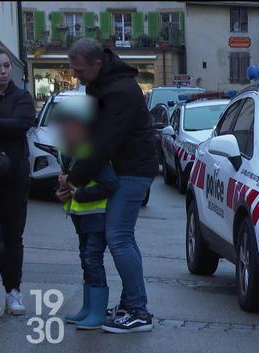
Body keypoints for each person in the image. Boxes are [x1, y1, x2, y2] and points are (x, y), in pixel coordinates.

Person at [65, 39, 158, 333]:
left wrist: (73, 179)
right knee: (123, 238)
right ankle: (132, 303)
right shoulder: (103, 84)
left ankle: (138, 311)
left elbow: (103, 143)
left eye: (79, 70)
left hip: (133, 170)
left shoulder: (119, 91)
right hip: (127, 169)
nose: (75, 75)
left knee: (118, 237)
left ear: (97, 64)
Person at [54, 96, 116, 330]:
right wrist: (61, 192)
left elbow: (109, 186)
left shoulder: (92, 153)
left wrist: (77, 194)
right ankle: (88, 308)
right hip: (81, 217)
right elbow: (68, 181)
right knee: (86, 260)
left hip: (96, 216)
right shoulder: (71, 150)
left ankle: (97, 312)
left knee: (92, 259)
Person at [0, 47, 35, 317]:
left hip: (13, 179)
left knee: (13, 237)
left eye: (6, 66)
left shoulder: (22, 97)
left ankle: (13, 292)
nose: (3, 71)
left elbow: (20, 124)